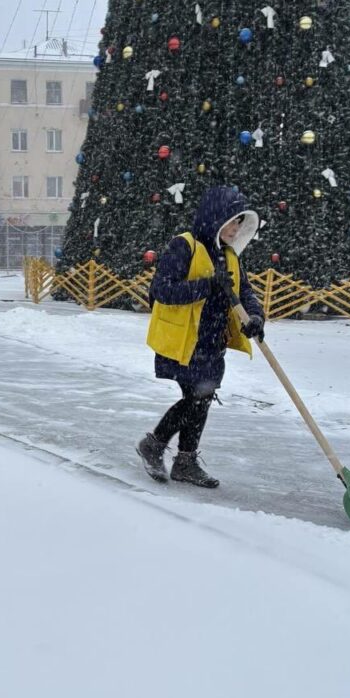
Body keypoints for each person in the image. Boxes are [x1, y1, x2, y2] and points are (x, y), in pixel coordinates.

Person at [137, 186, 265, 488]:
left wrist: (256, 316)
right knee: (198, 396)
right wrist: (205, 286)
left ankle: (184, 460)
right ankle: (156, 446)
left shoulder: (230, 255)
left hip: (212, 343)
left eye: (239, 224)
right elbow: (161, 292)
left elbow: (244, 291)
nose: (235, 230)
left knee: (202, 399)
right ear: (215, 218)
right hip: (184, 342)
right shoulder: (185, 246)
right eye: (231, 221)